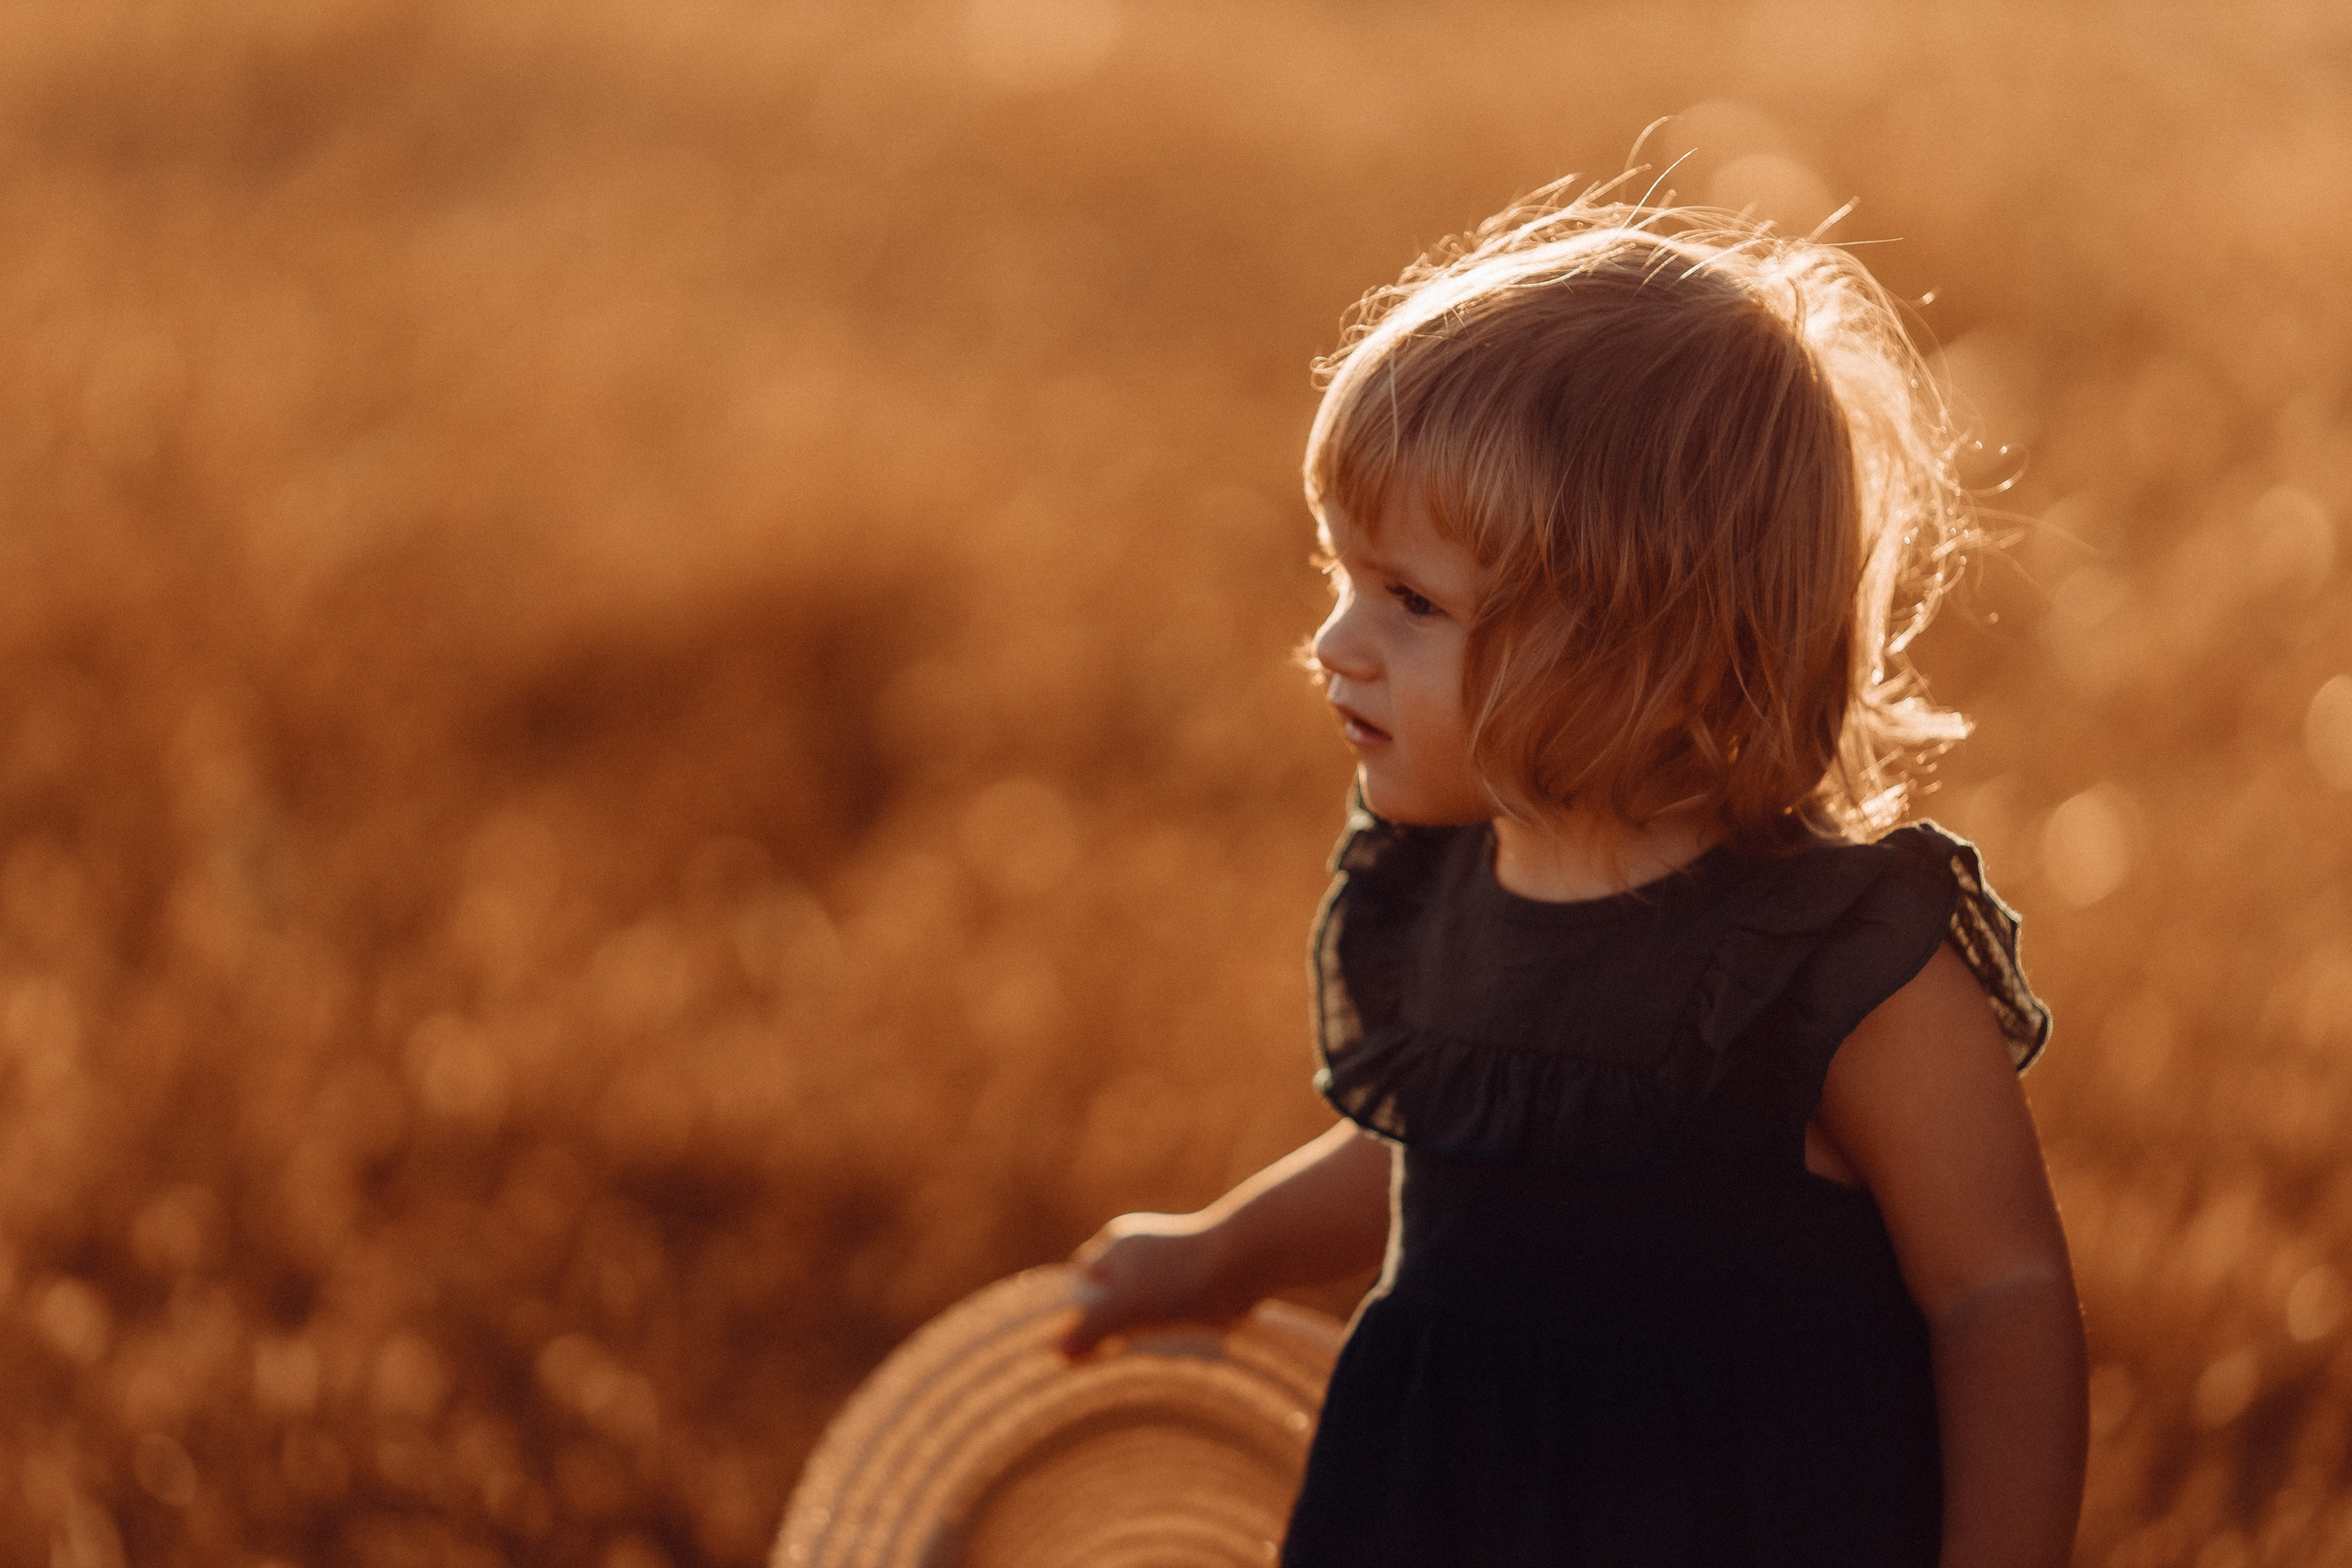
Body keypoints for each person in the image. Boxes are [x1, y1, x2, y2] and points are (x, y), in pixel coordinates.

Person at [1057, 184, 2086, 1568]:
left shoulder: (1839, 968)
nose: (1336, 643)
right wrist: (1225, 1254)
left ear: (1634, 644)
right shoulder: (1444, 890)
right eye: (1341, 575)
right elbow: (1448, 1151)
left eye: (1411, 602)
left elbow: (1998, 1291)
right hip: (1443, 1510)